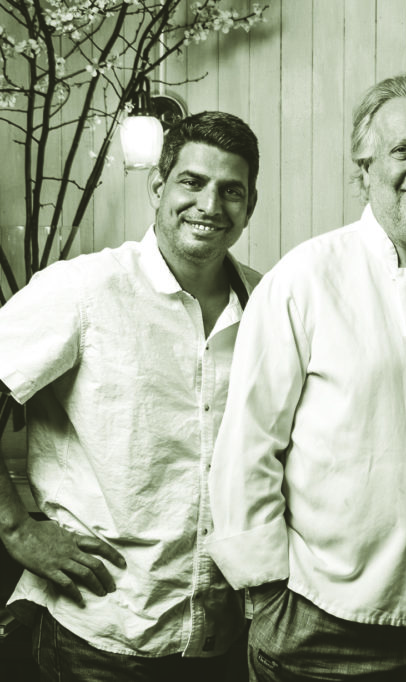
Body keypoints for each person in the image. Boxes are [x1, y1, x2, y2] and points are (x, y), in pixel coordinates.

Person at [207, 72, 406, 681]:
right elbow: (247, 445)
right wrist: (269, 596)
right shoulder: (306, 278)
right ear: (364, 168)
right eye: (402, 150)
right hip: (322, 623)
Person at [0, 110, 261, 680]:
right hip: (100, 631)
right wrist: (16, 528)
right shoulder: (85, 289)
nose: (210, 206)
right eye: (192, 182)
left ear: (249, 206)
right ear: (158, 186)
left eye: (231, 191)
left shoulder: (268, 304)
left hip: (228, 633)